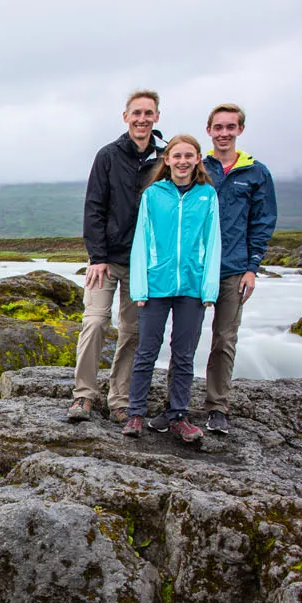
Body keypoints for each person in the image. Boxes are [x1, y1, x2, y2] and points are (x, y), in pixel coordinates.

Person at [150, 103, 277, 434]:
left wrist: (252, 267)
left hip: (233, 269)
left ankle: (217, 406)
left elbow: (262, 222)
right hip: (192, 270)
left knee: (224, 338)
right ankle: (176, 407)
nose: (224, 133)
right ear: (209, 131)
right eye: (218, 127)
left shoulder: (256, 173)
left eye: (230, 127)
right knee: (183, 342)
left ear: (240, 130)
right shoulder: (197, 167)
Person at [67, 90, 166, 424]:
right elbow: (94, 206)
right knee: (95, 322)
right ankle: (83, 396)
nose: (142, 119)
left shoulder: (165, 159)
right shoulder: (108, 156)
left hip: (143, 264)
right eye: (136, 113)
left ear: (156, 117)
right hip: (106, 260)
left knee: (132, 331)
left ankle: (119, 400)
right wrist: (96, 257)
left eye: (148, 113)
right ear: (126, 117)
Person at [121, 134, 221, 443]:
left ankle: (179, 415)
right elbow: (142, 241)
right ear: (167, 160)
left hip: (191, 286)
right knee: (146, 351)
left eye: (188, 156)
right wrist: (139, 289)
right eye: (176, 156)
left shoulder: (207, 196)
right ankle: (135, 413)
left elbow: (213, 242)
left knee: (184, 354)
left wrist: (209, 290)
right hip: (156, 285)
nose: (182, 161)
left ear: (197, 159)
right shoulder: (154, 195)